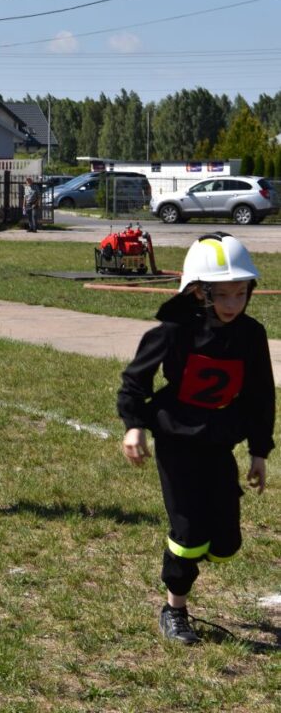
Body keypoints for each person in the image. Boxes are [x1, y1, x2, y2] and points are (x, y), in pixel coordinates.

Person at [117, 234, 275, 645]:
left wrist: (259, 451)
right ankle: (174, 609)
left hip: (219, 441)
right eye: (221, 295)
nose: (231, 304)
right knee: (187, 536)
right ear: (197, 291)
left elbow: (261, 393)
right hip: (177, 440)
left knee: (225, 544)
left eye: (240, 293)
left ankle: (198, 545)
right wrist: (135, 424)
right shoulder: (175, 329)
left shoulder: (251, 334)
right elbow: (136, 379)